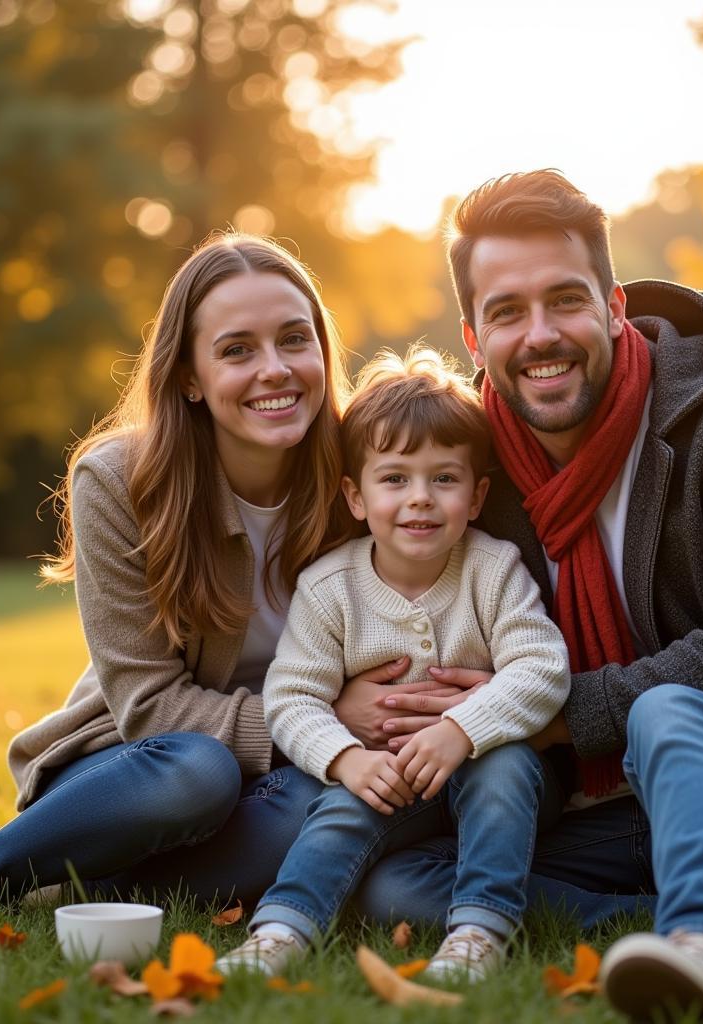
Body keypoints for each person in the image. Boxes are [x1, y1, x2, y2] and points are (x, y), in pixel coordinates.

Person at [352, 171, 703, 1022]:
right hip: (597, 812)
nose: (540, 336)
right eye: (506, 311)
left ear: (613, 305)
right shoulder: (469, 477)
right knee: (404, 884)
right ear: (473, 334)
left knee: (669, 711)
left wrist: (558, 713)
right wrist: (360, 695)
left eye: (565, 301)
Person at [0, 233, 363, 917]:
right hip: (135, 766)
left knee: (328, 803)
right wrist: (325, 723)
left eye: (295, 340)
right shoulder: (120, 481)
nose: (276, 369)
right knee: (200, 771)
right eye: (237, 350)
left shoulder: (365, 475)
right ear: (190, 377)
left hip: (287, 770)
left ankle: (87, 881)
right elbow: (150, 709)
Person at [218, 347, 571, 983]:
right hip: (388, 778)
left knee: (504, 766)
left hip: (498, 781)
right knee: (343, 805)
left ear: (476, 494)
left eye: (444, 478)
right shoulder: (331, 588)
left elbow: (542, 667)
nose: (420, 499)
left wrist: (463, 730)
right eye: (395, 478)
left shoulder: (491, 570)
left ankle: (480, 934)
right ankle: (282, 930)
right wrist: (347, 758)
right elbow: (292, 698)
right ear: (356, 496)